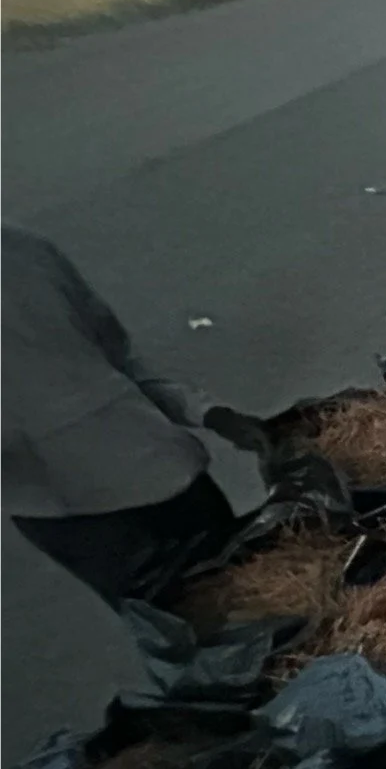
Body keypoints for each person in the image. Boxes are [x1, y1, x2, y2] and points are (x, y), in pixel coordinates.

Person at [2, 228, 240, 608]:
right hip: (84, 517)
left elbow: (119, 360)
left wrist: (208, 412)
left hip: (170, 474)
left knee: (262, 591)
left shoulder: (26, 254)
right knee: (199, 626)